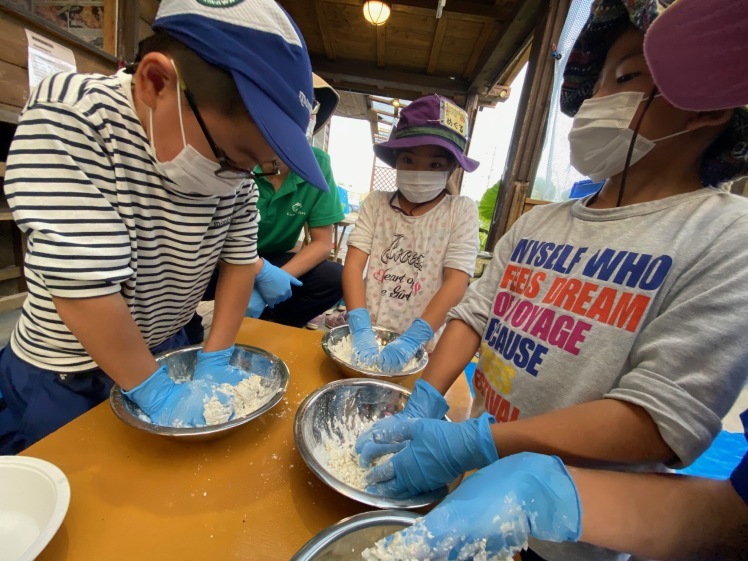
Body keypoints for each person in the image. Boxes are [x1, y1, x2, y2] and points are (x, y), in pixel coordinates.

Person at [356, 1, 748, 560]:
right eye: (597, 82)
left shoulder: (724, 238)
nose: (595, 100)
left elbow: (659, 418)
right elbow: (474, 313)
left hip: (578, 528)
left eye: (628, 76)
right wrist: (426, 400)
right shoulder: (542, 223)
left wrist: (479, 443)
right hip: (470, 476)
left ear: (706, 107)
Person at [0, 0, 328, 454]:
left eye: (254, 164)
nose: (242, 176)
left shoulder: (235, 174)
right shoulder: (77, 116)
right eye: (235, 156)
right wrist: (156, 392)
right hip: (67, 371)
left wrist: (216, 353)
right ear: (157, 82)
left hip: (168, 343)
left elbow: (238, 262)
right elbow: (83, 285)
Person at [183, 74, 344, 336]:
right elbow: (210, 229)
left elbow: (322, 243)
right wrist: (255, 269)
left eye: (309, 104)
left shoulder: (318, 164)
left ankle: (269, 325)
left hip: (272, 258)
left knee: (332, 278)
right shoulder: (234, 156)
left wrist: (273, 277)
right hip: (217, 256)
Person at [341, 94, 480, 374]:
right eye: (408, 159)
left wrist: (414, 338)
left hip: (424, 344)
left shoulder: (459, 211)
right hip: (370, 329)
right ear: (395, 160)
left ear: (452, 167)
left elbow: (456, 282)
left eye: (435, 165)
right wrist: (360, 326)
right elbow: (354, 266)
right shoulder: (377, 204)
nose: (419, 172)